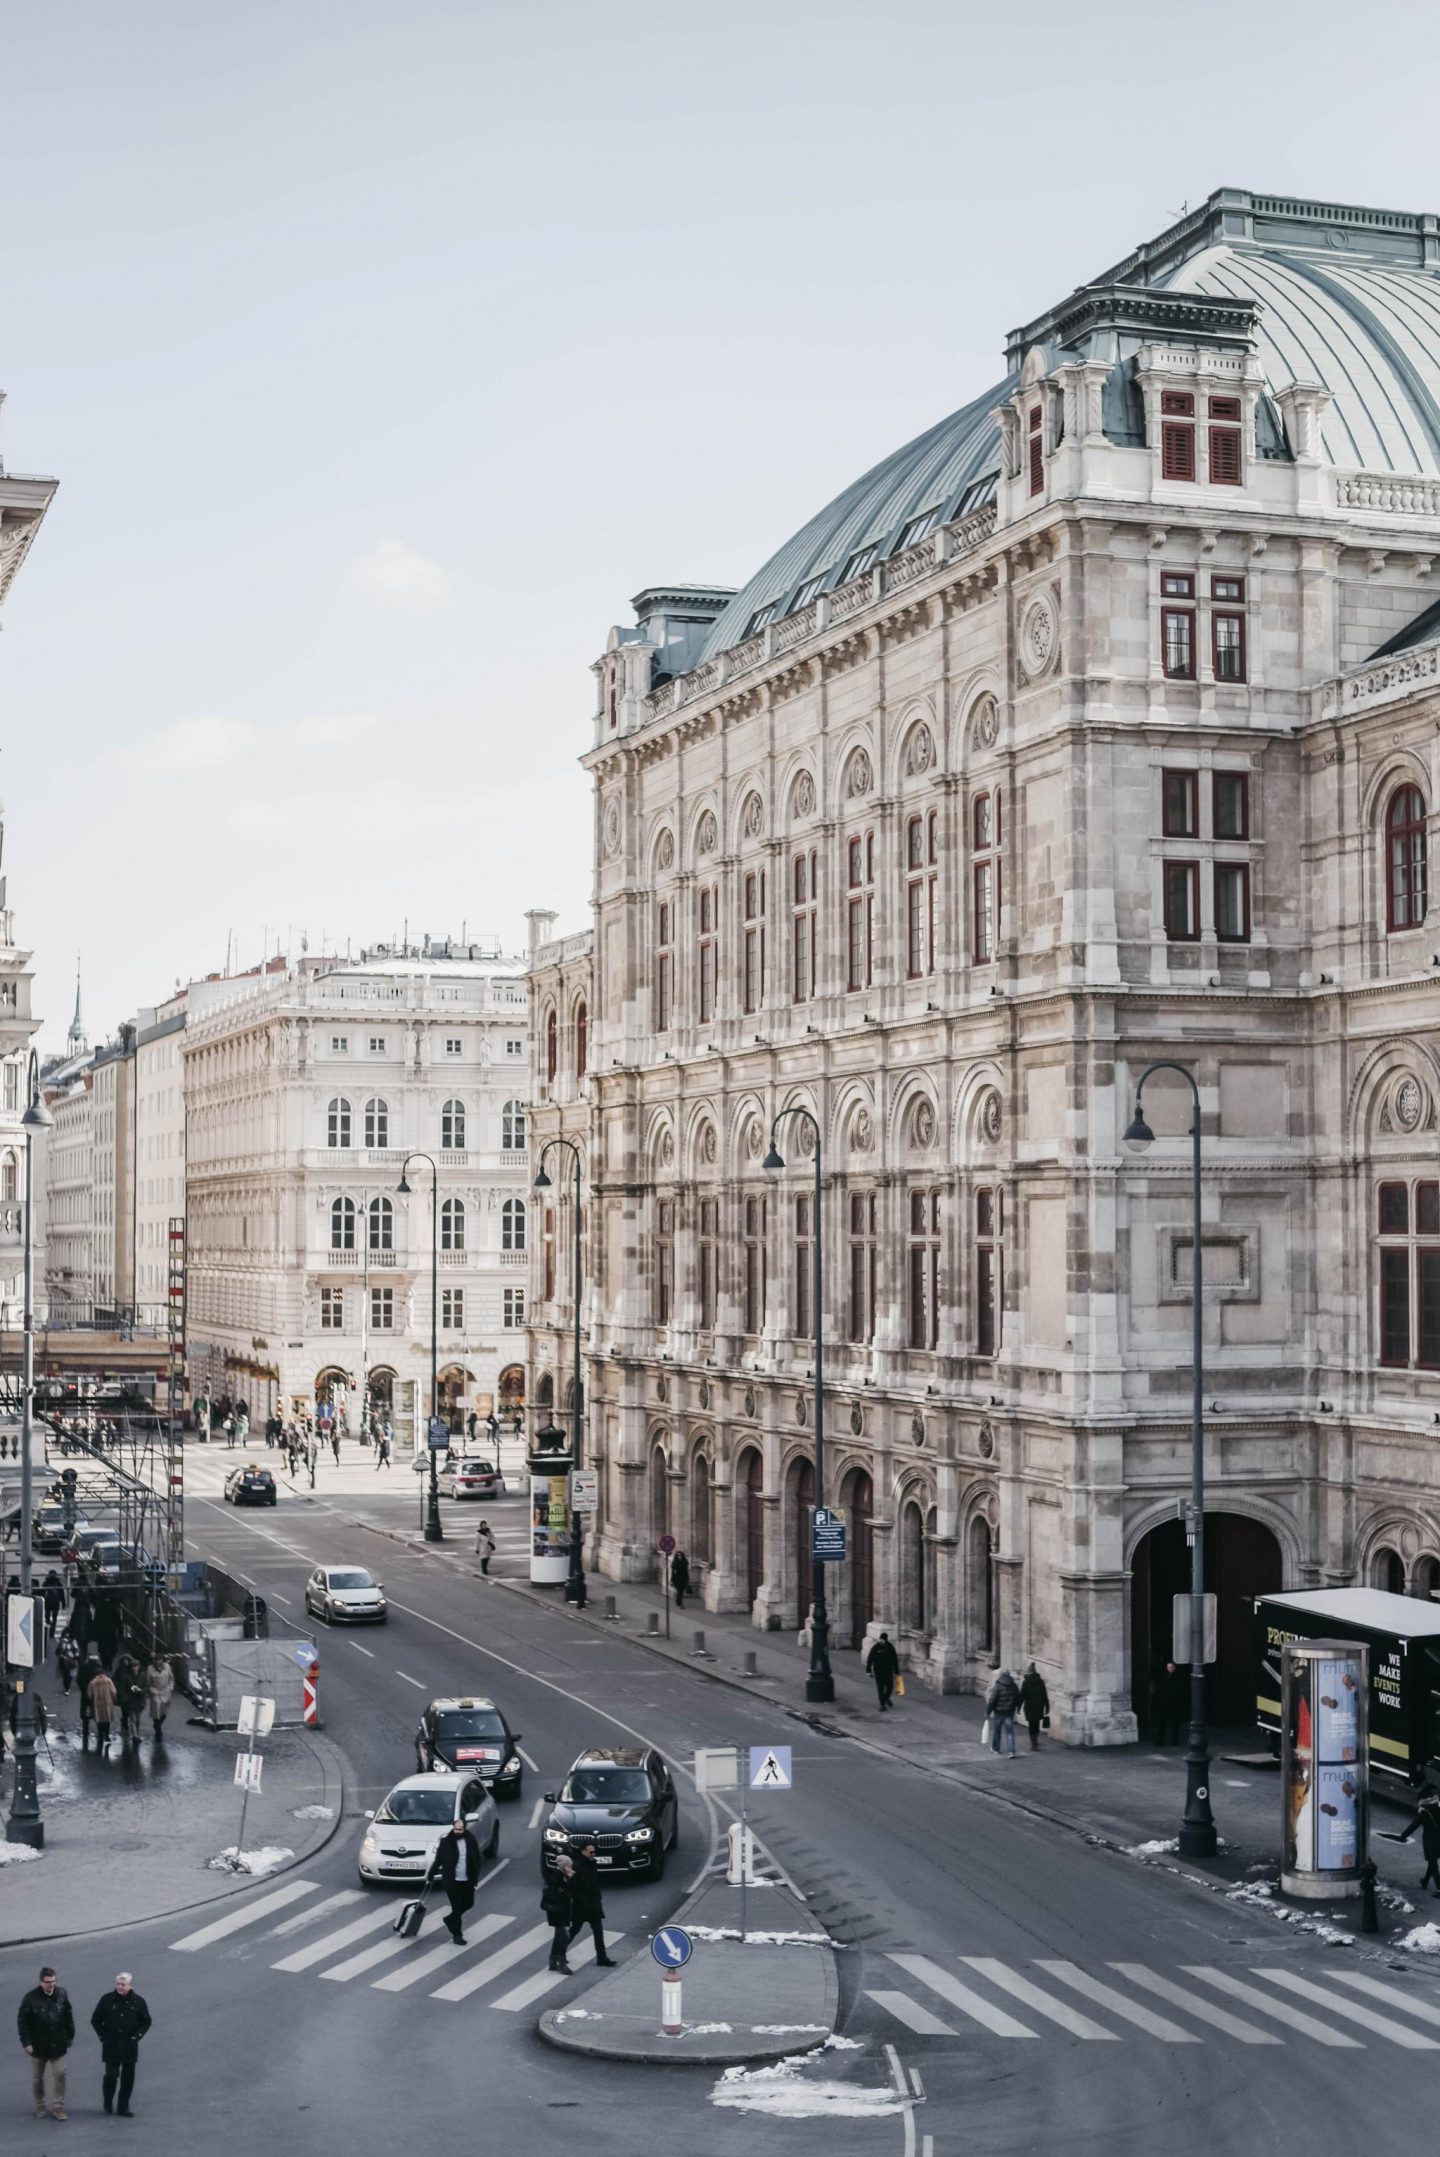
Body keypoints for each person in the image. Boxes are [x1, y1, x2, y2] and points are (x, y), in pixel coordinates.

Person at [18, 1963, 75, 2121]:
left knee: (60, 2074)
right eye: (48, 1982)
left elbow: (68, 2016)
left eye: (54, 1981)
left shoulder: (62, 1994)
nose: (52, 1985)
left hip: (58, 2043)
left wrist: (70, 2036)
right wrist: (26, 2042)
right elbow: (22, 2022)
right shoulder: (30, 1998)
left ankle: (59, 2107)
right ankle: (40, 2104)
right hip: (38, 2045)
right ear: (41, 1981)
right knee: (37, 2079)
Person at [90, 1974, 150, 2117]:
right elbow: (95, 2019)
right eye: (118, 1984)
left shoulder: (138, 2002)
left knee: (128, 2078)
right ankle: (108, 2100)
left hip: (129, 2046)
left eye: (123, 1984)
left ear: (130, 1986)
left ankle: (123, 2107)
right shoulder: (106, 2000)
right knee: (111, 2076)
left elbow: (146, 2021)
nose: (120, 1987)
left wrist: (137, 2036)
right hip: (111, 2045)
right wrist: (103, 2036)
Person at [431, 1816, 483, 1944]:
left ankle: (449, 1919)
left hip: (467, 1880)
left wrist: (475, 1872)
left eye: (460, 1830)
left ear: (464, 1829)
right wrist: (430, 1875)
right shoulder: (446, 1842)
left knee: (469, 1903)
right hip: (452, 1881)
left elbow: (477, 1856)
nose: (457, 1832)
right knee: (457, 1907)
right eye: (455, 1829)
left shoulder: (470, 1839)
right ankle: (457, 1935)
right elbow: (438, 1860)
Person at [566, 1842, 616, 1966]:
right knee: (574, 1930)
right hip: (582, 1905)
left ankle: (602, 1957)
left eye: (594, 1851)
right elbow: (572, 1886)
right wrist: (580, 1900)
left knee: (598, 1931)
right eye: (591, 1852)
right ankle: (559, 1953)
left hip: (593, 1904)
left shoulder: (592, 1864)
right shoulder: (576, 1866)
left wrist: (597, 1896)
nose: (593, 1854)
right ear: (583, 1852)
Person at [542, 1855, 575, 1973]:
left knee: (558, 1936)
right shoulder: (556, 1877)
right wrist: (568, 1880)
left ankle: (553, 1961)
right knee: (565, 1936)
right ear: (564, 1866)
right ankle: (562, 1962)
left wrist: (568, 1878)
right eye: (569, 1865)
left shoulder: (561, 1876)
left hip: (560, 1911)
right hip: (557, 1911)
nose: (571, 1867)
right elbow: (561, 1894)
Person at [986, 1667, 1020, 1758]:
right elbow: (1018, 1697)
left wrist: (988, 1711)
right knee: (1010, 1732)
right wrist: (1015, 1707)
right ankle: (1011, 1751)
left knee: (997, 1731)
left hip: (999, 1711)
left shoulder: (998, 1685)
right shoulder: (1014, 1685)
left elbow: (993, 1699)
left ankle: (996, 1748)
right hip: (1009, 1712)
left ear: (1001, 1675)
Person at [865, 1629, 901, 1710]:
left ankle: (886, 1698)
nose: (881, 1641)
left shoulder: (890, 1647)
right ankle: (882, 1704)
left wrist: (896, 1671)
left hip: (888, 1671)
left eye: (883, 1640)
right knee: (880, 1688)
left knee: (890, 1687)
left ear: (885, 1640)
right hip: (878, 1671)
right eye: (880, 1639)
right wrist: (868, 1671)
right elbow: (870, 1659)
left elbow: (894, 1660)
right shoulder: (875, 1647)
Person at [1153, 1659, 1186, 1747]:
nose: (1170, 1669)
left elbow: (1180, 1691)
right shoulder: (1163, 1677)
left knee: (1174, 1723)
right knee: (1161, 1722)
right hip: (1163, 1703)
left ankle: (1173, 1741)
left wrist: (1178, 1703)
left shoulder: (1178, 1678)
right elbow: (1159, 1690)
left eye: (1171, 1667)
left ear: (1174, 1667)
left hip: (1174, 1704)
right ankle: (1160, 1741)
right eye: (1168, 1667)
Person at [1019, 1662, 1050, 1750]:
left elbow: (1022, 1696)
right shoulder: (1041, 1682)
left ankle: (1033, 1744)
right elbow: (1045, 1695)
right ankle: (1035, 1741)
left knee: (1031, 1725)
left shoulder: (1026, 1682)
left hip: (1029, 1707)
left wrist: (1018, 1707)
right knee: (1036, 1724)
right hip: (1039, 1706)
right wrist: (1047, 1706)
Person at [87, 1664, 117, 1754]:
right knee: (107, 1719)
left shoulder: (92, 1683)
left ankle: (100, 1736)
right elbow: (114, 1691)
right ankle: (107, 1736)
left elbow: (89, 1694)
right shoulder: (108, 1681)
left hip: (97, 1704)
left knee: (99, 1720)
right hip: (107, 1703)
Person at [146, 1652, 174, 1742]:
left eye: (160, 1660)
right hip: (155, 1691)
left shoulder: (167, 1667)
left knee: (164, 1712)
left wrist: (171, 1687)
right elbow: (148, 1681)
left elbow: (171, 1678)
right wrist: (151, 1690)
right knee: (156, 1711)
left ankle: (158, 1725)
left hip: (166, 1691)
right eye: (156, 1660)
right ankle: (158, 1730)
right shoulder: (150, 1669)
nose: (158, 1662)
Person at [41, 1569, 65, 1635]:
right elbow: (62, 1594)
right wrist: (63, 1604)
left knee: (47, 1617)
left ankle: (49, 1628)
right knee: (54, 1618)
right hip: (56, 1603)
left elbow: (41, 1593)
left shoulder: (46, 1583)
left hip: (47, 1603)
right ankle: (52, 1631)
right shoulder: (58, 1583)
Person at [56, 1630, 79, 1696]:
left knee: (67, 1676)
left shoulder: (64, 1642)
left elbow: (57, 1652)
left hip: (67, 1661)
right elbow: (58, 1652)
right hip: (67, 1661)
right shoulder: (66, 1642)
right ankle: (67, 1688)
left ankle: (67, 1688)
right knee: (67, 1675)